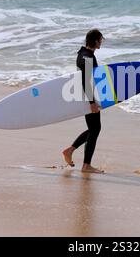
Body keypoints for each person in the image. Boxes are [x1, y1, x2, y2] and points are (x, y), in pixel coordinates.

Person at [62, 29, 105, 173]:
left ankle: (70, 151)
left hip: (84, 96)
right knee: (95, 129)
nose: (101, 42)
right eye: (100, 40)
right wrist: (92, 102)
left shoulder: (82, 54)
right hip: (88, 97)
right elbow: (86, 81)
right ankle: (86, 165)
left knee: (94, 129)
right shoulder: (88, 58)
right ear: (95, 41)